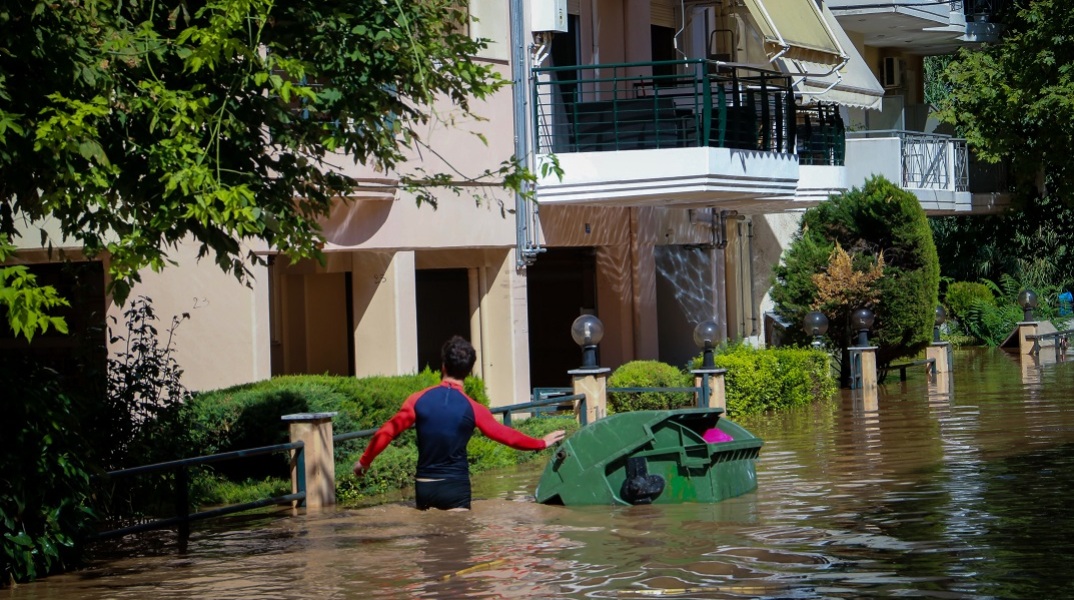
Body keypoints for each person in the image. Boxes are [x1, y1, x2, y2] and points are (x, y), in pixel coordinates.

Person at [353, 335, 566, 510]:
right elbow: (505, 435)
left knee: (430, 551)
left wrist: (364, 461)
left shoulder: (416, 400)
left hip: (424, 486)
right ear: (470, 370)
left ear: (443, 366)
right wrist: (541, 442)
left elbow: (386, 432)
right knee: (458, 549)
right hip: (455, 486)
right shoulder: (473, 408)